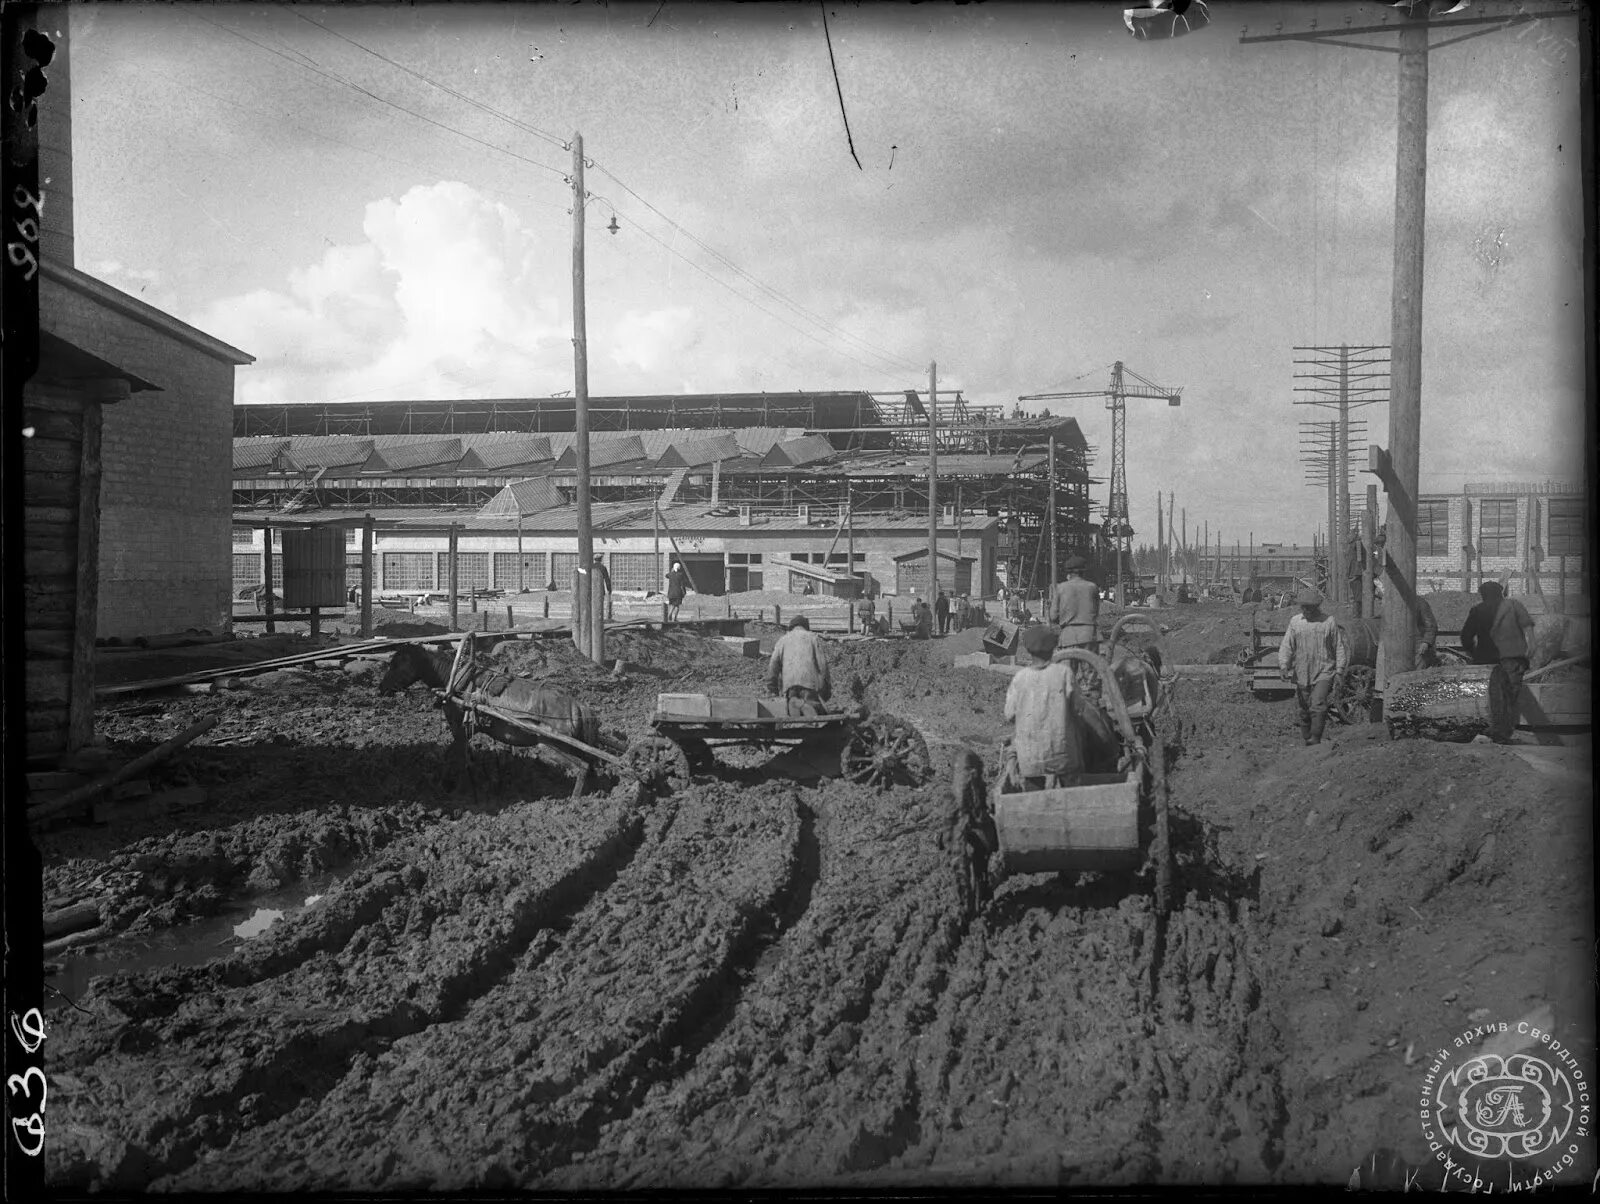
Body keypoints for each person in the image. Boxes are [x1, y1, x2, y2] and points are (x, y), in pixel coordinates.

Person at [1003, 625, 1086, 787]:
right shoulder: (1064, 673)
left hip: (1029, 761)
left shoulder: (1020, 678)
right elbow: (1079, 709)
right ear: (1053, 648)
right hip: (1063, 759)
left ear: (1028, 650)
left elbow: (1009, 715)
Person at [1460, 581, 1536, 744]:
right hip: (1513, 658)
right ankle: (1503, 734)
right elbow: (1528, 627)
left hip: (1485, 662)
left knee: (1488, 697)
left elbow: (1466, 637)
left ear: (1482, 594)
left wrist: (1474, 654)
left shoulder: (1477, 610)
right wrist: (1531, 646)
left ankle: (1489, 732)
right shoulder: (1514, 605)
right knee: (1510, 695)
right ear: (1501, 592)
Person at [1278, 587, 1349, 745]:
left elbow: (1338, 646)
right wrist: (1284, 665)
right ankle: (1306, 737)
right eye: (1303, 607)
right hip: (1302, 671)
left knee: (1318, 703)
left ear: (1316, 606)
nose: (1306, 610)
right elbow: (1287, 645)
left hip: (1324, 670)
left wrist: (1339, 670)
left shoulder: (1328, 622)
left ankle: (1315, 738)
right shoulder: (1296, 622)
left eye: (1309, 607)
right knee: (1304, 709)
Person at [765, 614, 832, 716]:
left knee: (794, 713)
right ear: (806, 627)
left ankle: (796, 705)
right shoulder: (813, 638)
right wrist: (826, 686)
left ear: (791, 628)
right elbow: (823, 665)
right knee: (813, 710)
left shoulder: (782, 640)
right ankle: (808, 709)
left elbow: (773, 665)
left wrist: (771, 688)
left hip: (789, 685)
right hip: (809, 684)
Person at [1048, 554, 1100, 658]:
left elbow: (1053, 616)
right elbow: (1096, 612)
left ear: (1068, 573)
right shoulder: (1092, 587)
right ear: (1083, 572)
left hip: (1068, 635)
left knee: (1068, 672)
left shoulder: (1061, 588)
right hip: (1089, 635)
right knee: (1090, 671)